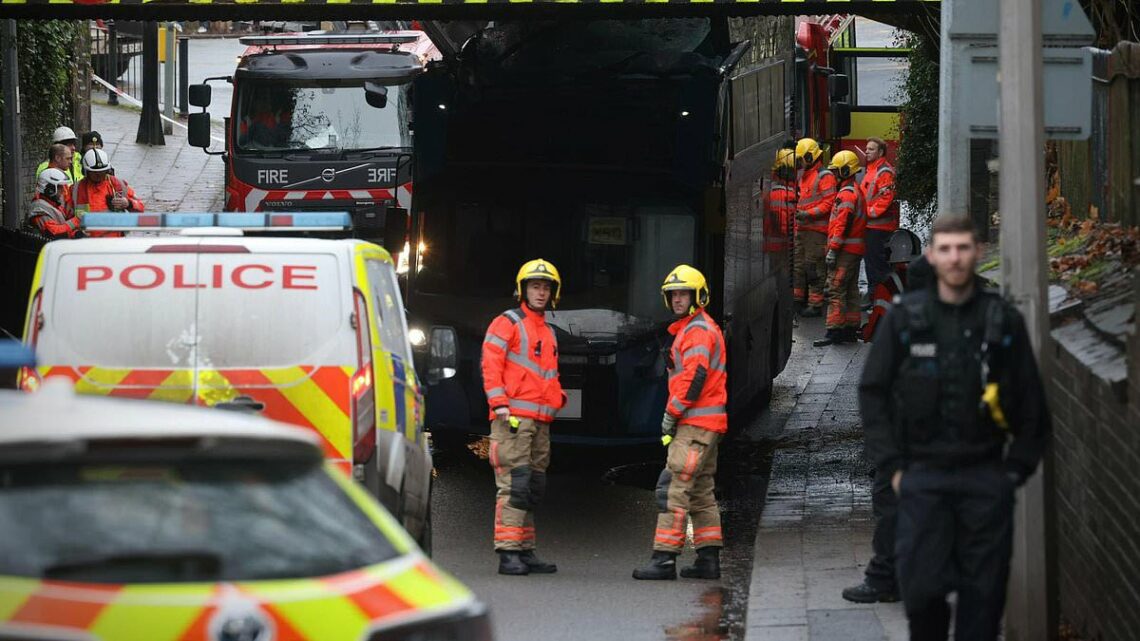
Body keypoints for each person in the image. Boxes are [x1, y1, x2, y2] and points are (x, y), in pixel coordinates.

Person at [860, 215, 1050, 641]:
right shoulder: (905, 319)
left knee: (981, 599)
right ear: (932, 255)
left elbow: (1030, 402)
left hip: (984, 477)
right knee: (923, 593)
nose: (955, 257)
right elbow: (873, 392)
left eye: (963, 248)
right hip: (922, 477)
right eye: (945, 249)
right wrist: (892, 465)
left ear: (978, 252)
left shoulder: (1001, 320)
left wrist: (1014, 470)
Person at [633, 265, 727, 581]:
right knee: (701, 490)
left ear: (697, 296)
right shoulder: (695, 328)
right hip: (708, 425)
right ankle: (708, 559)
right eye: (673, 295)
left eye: (683, 293)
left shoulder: (697, 331)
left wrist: (671, 413)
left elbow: (694, 377)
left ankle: (664, 559)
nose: (677, 300)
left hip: (695, 424)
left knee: (673, 486)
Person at [481, 259, 565, 576]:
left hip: (539, 423)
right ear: (523, 289)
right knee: (514, 485)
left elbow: (546, 376)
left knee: (532, 487)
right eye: (535, 286)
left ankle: (525, 550)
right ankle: (507, 552)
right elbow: (491, 364)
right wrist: (499, 402)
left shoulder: (546, 330)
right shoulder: (507, 323)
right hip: (513, 419)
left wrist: (557, 400)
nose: (540, 292)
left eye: (545, 287)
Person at [815, 150, 866, 347]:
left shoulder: (846, 195)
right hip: (854, 251)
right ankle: (851, 329)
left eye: (836, 171)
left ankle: (834, 332)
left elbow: (841, 225)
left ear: (845, 171)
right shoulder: (855, 190)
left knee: (836, 289)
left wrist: (833, 250)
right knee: (851, 290)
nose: (834, 175)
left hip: (844, 252)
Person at [792, 138, 837, 317]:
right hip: (803, 230)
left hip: (816, 232)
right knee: (798, 267)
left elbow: (829, 203)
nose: (799, 163)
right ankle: (798, 301)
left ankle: (815, 304)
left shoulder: (824, 176)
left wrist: (808, 214)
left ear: (810, 157)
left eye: (802, 159)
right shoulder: (805, 175)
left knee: (814, 268)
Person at [860, 229, 922, 343]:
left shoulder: (888, 284)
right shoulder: (932, 276)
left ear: (891, 251)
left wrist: (865, 332)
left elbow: (877, 326)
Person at [860, 137, 898, 291]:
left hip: (879, 228)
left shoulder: (884, 172)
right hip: (872, 226)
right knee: (872, 264)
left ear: (880, 152)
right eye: (867, 148)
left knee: (877, 266)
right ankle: (875, 297)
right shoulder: (873, 169)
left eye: (871, 149)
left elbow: (885, 198)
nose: (867, 151)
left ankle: (878, 299)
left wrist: (867, 213)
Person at [73, 148, 145, 215]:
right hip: (86, 228)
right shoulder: (76, 189)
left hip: (113, 228)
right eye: (94, 172)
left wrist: (129, 203)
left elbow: (141, 207)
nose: (98, 175)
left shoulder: (118, 185)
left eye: (102, 172)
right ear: (86, 172)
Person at [25, 168, 81, 239]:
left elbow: (63, 225)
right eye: (60, 187)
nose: (63, 190)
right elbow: (54, 233)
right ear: (50, 189)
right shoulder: (39, 209)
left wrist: (75, 233)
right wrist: (76, 221)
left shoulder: (53, 204)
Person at [762, 148, 797, 255]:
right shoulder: (788, 194)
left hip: (776, 247)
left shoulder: (775, 193)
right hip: (783, 248)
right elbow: (783, 225)